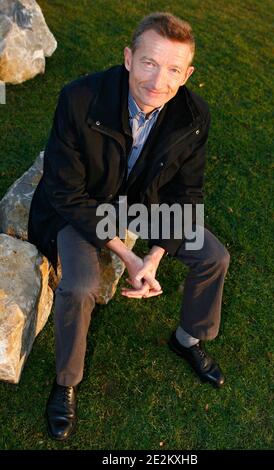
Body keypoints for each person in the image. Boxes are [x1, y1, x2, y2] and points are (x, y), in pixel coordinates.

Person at [28, 12, 230, 441]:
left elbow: (187, 195)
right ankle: (66, 381)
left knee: (214, 256)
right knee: (80, 286)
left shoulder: (194, 115)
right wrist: (125, 253)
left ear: (187, 73)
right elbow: (65, 192)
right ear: (128, 58)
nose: (158, 81)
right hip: (82, 206)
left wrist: (154, 256)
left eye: (173, 69)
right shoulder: (80, 98)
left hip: (140, 205)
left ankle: (188, 339)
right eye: (149, 63)